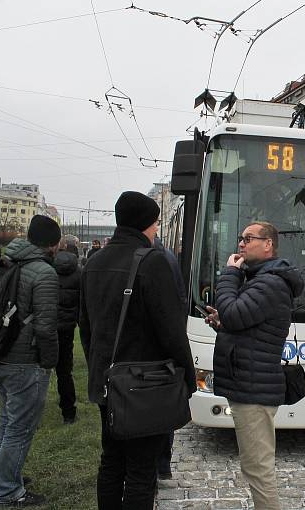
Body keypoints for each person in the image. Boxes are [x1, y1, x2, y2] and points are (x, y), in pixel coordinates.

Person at [80, 191, 195, 510]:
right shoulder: (152, 261)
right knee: (142, 469)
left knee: (111, 459)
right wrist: (186, 377)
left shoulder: (94, 262)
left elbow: (85, 326)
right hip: (145, 385)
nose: (158, 229)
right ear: (145, 223)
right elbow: (171, 330)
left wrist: (97, 367)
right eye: (156, 223)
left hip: (107, 380)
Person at [205, 222, 304, 510]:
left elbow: (234, 314)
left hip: (254, 389)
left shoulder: (269, 282)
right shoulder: (262, 279)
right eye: (240, 238)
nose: (241, 244)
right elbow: (243, 325)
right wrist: (223, 323)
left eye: (248, 238)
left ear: (268, 244)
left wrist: (230, 275)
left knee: (258, 469)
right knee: (256, 467)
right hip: (250, 382)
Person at [0, 215, 61, 506]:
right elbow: (45, 327)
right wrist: (49, 362)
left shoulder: (9, 261)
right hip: (25, 361)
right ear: (53, 244)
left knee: (8, 422)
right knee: (20, 427)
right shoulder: (44, 273)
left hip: (0, 354)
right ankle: (7, 490)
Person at [152, 236, 187, 481]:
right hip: (162, 350)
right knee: (163, 408)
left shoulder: (163, 258)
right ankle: (162, 464)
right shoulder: (167, 257)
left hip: (135, 352)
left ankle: (157, 465)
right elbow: (179, 303)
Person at [53, 234, 81, 424]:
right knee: (64, 371)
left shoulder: (46, 268)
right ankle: (68, 412)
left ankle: (31, 411)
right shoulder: (79, 272)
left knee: (39, 369)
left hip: (45, 324)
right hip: (66, 328)